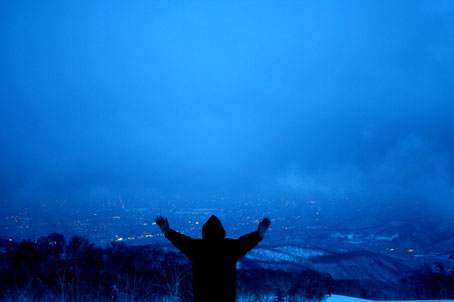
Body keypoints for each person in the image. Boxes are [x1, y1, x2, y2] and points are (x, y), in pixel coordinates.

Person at [155, 215, 271, 302]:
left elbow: (181, 241)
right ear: (222, 232)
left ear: (204, 231)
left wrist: (167, 231)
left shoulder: (198, 247)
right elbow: (245, 242)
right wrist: (259, 234)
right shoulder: (229, 247)